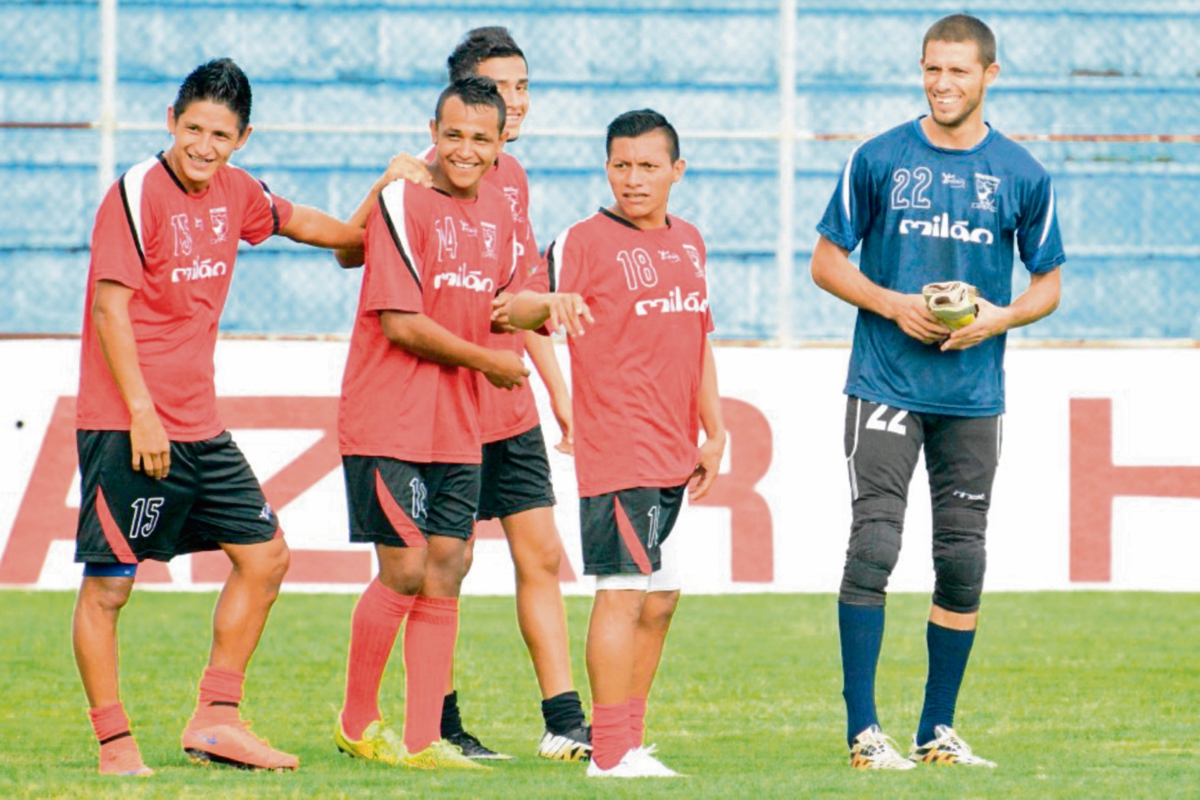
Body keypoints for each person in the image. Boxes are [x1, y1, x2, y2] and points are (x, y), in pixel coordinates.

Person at [72, 58, 365, 776]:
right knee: (110, 587)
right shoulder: (136, 194)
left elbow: (304, 223)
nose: (203, 145)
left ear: (243, 138)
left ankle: (217, 719)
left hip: (199, 423)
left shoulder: (237, 191)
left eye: (220, 134)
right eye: (193, 128)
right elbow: (111, 308)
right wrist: (142, 415)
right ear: (171, 122)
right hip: (126, 419)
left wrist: (372, 225)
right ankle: (115, 744)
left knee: (265, 557)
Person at [810, 13, 1064, 770]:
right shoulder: (880, 156)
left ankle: (936, 732)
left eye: (957, 71)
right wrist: (893, 303)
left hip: (973, 394)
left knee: (963, 562)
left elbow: (1048, 280)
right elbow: (826, 262)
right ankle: (863, 734)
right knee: (876, 544)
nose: (942, 84)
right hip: (885, 381)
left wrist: (1002, 316)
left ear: (990, 75)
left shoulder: (1023, 174)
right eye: (931, 69)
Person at [336, 26, 589, 762]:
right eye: (495, 91)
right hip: (423, 401)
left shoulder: (505, 189)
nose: (509, 109)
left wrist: (557, 361)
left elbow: (514, 296)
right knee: (422, 566)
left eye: (520, 91)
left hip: (486, 401)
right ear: (445, 121)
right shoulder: (412, 188)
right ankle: (392, 721)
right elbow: (369, 273)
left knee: (491, 559)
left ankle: (498, 727)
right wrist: (385, 185)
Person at [508, 109, 726, 779]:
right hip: (619, 445)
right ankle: (608, 753)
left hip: (672, 448)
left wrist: (714, 430)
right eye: (621, 165)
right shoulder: (581, 241)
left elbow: (699, 339)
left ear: (676, 171)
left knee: (660, 598)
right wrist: (550, 305)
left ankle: (628, 736)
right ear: (607, 168)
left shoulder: (690, 241)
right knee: (624, 592)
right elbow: (509, 308)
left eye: (648, 166)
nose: (633, 179)